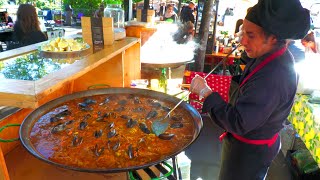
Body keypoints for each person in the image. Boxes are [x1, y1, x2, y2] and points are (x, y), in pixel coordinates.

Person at [190, 0, 310, 179]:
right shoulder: (267, 55)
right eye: (242, 32)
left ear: (273, 38)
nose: (242, 40)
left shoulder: (274, 75)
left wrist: (205, 92)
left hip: (249, 154)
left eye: (251, 35)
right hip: (245, 145)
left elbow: (239, 121)